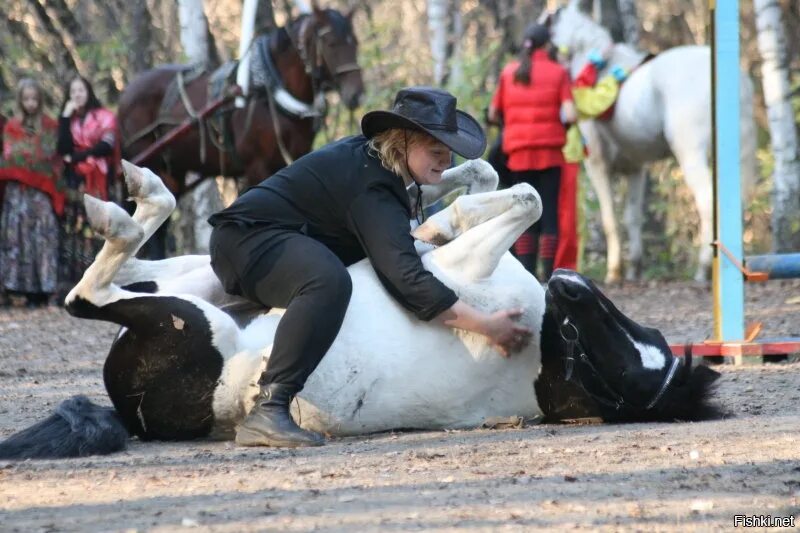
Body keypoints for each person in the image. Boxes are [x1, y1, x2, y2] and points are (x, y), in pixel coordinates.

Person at [208, 87, 533, 448]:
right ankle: (270, 408)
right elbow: (405, 279)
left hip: (266, 240)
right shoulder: (373, 185)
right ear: (403, 141)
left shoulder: (376, 166)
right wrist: (486, 325)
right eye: (435, 151)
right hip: (247, 241)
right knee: (327, 282)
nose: (445, 162)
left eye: (448, 153)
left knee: (331, 271)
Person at [488, 23, 576, 280]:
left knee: (526, 214)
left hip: (518, 157)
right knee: (549, 214)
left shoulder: (509, 72)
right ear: (546, 45)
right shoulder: (559, 72)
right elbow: (569, 113)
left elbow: (493, 113)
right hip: (550, 155)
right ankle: (550, 277)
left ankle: (526, 275)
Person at [56, 75, 121, 299]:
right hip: (77, 181)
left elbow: (107, 145)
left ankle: (103, 278)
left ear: (89, 92)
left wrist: (78, 156)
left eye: (81, 90)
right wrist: (64, 116)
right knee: (76, 229)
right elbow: (62, 147)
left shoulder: (104, 116)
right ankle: (77, 281)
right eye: (73, 92)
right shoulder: (70, 121)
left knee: (101, 229)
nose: (77, 95)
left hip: (99, 179)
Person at [0, 78, 62, 307]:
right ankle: (19, 287)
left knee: (43, 236)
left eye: (34, 99)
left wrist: (28, 158)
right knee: (18, 237)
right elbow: (10, 156)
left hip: (41, 192)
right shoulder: (12, 126)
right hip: (18, 192)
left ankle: (43, 288)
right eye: (26, 99)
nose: (31, 103)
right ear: (20, 100)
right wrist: (26, 157)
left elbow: (47, 156)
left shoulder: (49, 125)